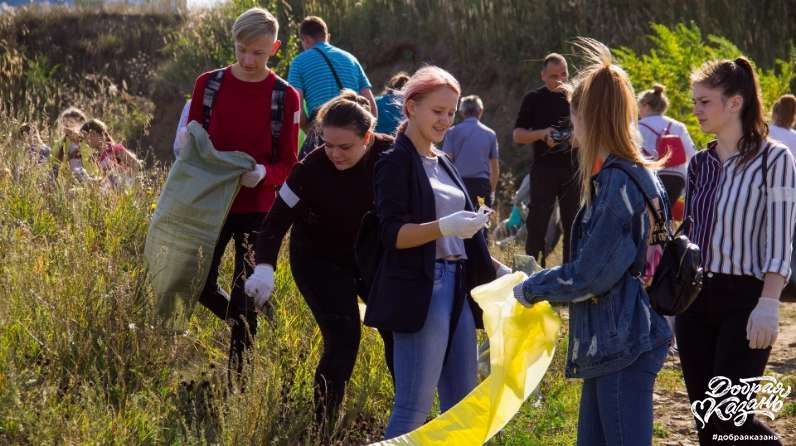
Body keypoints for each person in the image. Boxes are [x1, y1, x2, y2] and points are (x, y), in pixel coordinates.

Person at [513, 38, 672, 446]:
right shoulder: (631, 174)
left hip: (622, 340)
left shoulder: (619, 182)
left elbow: (590, 276)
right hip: (616, 339)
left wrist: (530, 288)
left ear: (591, 117)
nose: (571, 126)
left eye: (574, 114)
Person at [364, 66, 508, 439]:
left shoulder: (444, 161)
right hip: (422, 288)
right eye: (437, 111)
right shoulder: (395, 161)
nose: (445, 120)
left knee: (461, 404)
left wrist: (497, 267)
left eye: (450, 112)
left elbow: (461, 236)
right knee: (413, 405)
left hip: (458, 285)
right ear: (411, 107)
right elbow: (393, 235)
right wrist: (444, 227)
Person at [244, 90, 394, 431]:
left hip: (369, 257)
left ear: (368, 137)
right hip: (318, 260)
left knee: (396, 332)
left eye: (345, 147)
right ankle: (322, 430)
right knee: (343, 341)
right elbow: (274, 224)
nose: (335, 154)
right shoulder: (310, 169)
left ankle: (405, 419)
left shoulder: (390, 155)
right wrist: (265, 268)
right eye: (327, 144)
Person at [679, 57, 795, 446]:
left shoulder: (775, 159)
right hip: (695, 302)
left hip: (745, 301)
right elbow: (691, 234)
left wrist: (769, 302)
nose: (695, 110)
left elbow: (782, 237)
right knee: (707, 426)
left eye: (704, 102)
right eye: (694, 101)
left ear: (735, 102)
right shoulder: (699, 164)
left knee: (730, 420)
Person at [185, 7, 300, 381]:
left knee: (247, 292)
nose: (249, 60)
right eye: (242, 50)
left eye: (259, 53)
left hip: (259, 207)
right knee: (198, 284)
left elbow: (289, 163)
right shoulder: (209, 84)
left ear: (276, 49)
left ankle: (239, 380)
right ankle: (245, 328)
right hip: (212, 203)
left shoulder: (286, 97)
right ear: (233, 43)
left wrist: (264, 174)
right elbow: (193, 142)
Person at [513, 53, 579, 265]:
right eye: (553, 76)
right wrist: (542, 134)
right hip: (543, 169)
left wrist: (570, 140)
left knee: (573, 224)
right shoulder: (534, 99)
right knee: (537, 223)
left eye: (563, 75)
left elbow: (589, 136)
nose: (560, 80)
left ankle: (571, 275)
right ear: (542, 75)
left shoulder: (577, 99)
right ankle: (529, 274)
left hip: (573, 169)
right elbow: (518, 135)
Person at [288, 16, 377, 159]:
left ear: (306, 39)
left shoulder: (299, 62)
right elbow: (371, 106)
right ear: (327, 36)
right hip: (354, 135)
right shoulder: (351, 59)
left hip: (323, 134)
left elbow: (295, 107)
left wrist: (312, 130)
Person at [638, 83, 696, 211]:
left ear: (646, 106)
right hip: (678, 179)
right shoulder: (678, 126)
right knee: (665, 215)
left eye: (639, 106)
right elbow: (693, 155)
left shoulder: (638, 127)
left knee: (651, 218)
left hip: (652, 177)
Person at [442, 94, 499, 208]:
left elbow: (446, 160)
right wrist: (491, 191)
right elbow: (495, 168)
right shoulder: (490, 134)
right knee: (481, 219)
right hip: (482, 188)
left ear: (462, 112)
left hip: (459, 186)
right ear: (481, 111)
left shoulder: (452, 132)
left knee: (460, 222)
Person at [80, 118, 142, 189]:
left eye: (86, 137)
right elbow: (108, 179)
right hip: (113, 194)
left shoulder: (115, 149)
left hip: (126, 190)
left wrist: (124, 176)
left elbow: (136, 165)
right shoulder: (97, 158)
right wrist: (92, 180)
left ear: (94, 134)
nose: (86, 142)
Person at [53, 106, 87, 179]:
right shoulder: (59, 143)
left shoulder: (88, 142)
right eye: (64, 124)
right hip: (67, 180)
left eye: (71, 123)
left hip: (87, 180)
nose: (67, 127)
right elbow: (55, 165)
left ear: (81, 124)